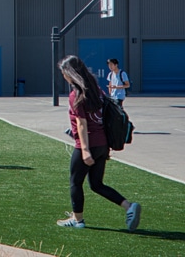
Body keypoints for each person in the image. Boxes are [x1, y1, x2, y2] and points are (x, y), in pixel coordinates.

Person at [56, 55, 141, 231]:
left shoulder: (76, 95)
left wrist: (85, 150)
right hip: (102, 143)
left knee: (75, 182)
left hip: (88, 144)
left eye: (64, 72)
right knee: (96, 184)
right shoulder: (96, 89)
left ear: (70, 73)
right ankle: (128, 206)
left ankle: (77, 220)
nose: (63, 76)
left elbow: (82, 123)